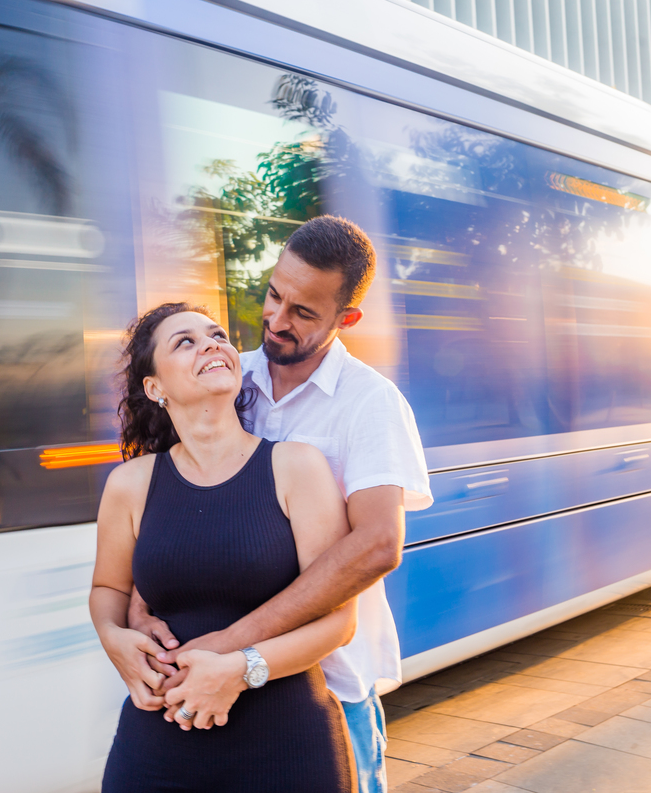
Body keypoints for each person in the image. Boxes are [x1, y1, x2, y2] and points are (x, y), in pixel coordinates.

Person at [128, 216, 433, 793]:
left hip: (329, 685)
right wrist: (138, 608)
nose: (276, 318)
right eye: (274, 294)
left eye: (304, 312)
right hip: (208, 680)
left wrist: (232, 644)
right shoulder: (226, 375)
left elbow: (376, 546)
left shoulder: (370, 404)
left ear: (347, 320)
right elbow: (168, 499)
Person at [91, 302, 359, 792]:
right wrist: (113, 639)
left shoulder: (296, 467)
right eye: (185, 342)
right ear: (156, 388)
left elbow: (340, 620)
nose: (212, 344)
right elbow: (108, 587)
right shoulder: (129, 485)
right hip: (157, 743)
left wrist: (240, 671)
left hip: (285, 745)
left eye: (216, 335)